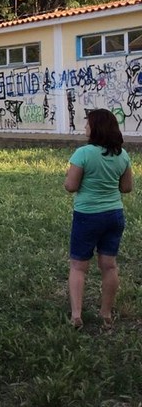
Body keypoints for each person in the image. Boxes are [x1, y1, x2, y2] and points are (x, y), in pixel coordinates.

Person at [64, 109, 134, 330]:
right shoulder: (122, 155)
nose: (85, 127)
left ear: (96, 128)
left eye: (88, 124)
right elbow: (127, 187)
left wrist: (69, 178)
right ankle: (106, 314)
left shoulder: (83, 154)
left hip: (87, 215)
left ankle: (76, 315)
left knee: (78, 266)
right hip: (114, 215)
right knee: (109, 266)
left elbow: (71, 186)